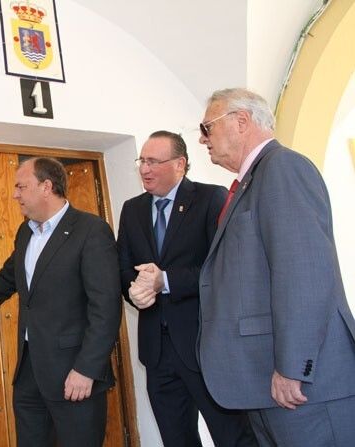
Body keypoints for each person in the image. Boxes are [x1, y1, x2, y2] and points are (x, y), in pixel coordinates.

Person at [197, 88, 355, 445]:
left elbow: (305, 273)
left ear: (241, 121)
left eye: (208, 127)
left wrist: (292, 367)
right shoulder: (254, 180)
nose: (203, 138)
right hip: (267, 382)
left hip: (304, 388)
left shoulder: (282, 167)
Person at [0, 157, 122, 447]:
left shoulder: (91, 230)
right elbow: (6, 279)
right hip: (29, 374)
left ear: (46, 187)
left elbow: (106, 308)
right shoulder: (26, 232)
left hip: (74, 374)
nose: (15, 194)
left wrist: (87, 369)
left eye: (21, 187)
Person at [117, 130, 255, 446]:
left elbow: (222, 268)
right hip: (157, 353)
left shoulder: (210, 198)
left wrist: (165, 281)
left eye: (154, 161)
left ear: (180, 164)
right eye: (142, 161)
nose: (144, 169)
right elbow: (124, 268)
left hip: (205, 347)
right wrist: (135, 292)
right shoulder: (132, 209)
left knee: (233, 437)